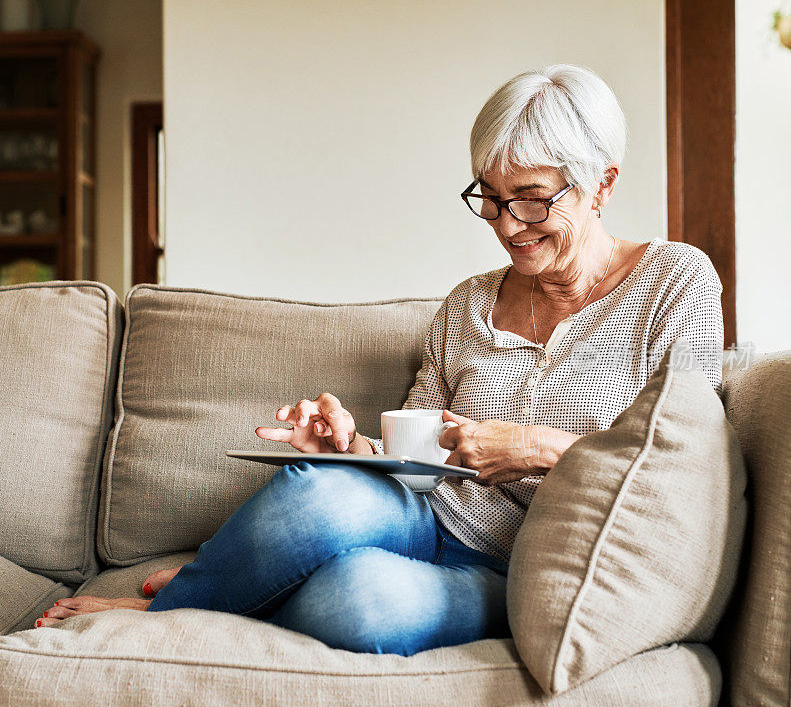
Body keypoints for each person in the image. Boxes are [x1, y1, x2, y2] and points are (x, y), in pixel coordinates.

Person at [34, 65, 724, 657]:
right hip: (429, 517)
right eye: (489, 195)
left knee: (360, 602)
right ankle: (175, 613)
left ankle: (225, 594)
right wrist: (352, 446)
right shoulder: (467, 305)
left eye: (533, 198)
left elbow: (687, 474)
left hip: (529, 563)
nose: (507, 224)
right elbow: (416, 458)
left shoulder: (673, 284)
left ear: (601, 185)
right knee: (315, 488)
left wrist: (540, 449)